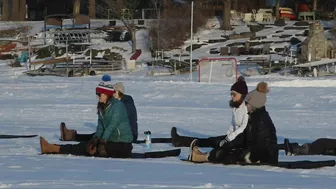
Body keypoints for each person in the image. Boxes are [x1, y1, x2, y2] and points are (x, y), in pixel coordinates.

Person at [187, 81, 278, 165]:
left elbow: (259, 146)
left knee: (229, 155)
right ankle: (204, 155)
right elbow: (244, 138)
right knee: (227, 150)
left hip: (263, 156)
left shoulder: (260, 120)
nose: (245, 105)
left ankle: (203, 157)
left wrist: (237, 151)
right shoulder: (254, 116)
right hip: (259, 153)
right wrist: (228, 144)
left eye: (247, 103)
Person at [40, 82, 134, 158]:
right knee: (86, 145)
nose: (98, 96)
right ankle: (52, 147)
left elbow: (112, 126)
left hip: (122, 144)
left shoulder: (117, 106)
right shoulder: (102, 107)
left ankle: (52, 148)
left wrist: (102, 141)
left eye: (99, 94)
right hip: (111, 140)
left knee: (87, 148)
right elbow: (101, 127)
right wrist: (95, 139)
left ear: (106, 94)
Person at [172, 81, 269, 148]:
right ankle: (181, 141)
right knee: (211, 141)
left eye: (234, 94)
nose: (232, 97)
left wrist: (230, 138)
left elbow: (245, 128)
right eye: (231, 94)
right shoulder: (237, 107)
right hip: (236, 137)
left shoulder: (248, 109)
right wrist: (229, 134)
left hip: (240, 139)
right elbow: (233, 124)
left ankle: (181, 141)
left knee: (213, 142)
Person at [60, 81, 139, 142]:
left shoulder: (124, 104)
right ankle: (71, 135)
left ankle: (71, 136)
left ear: (120, 92)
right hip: (117, 132)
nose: (111, 94)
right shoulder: (116, 103)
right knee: (97, 134)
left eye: (114, 92)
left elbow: (114, 123)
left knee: (99, 136)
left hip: (128, 134)